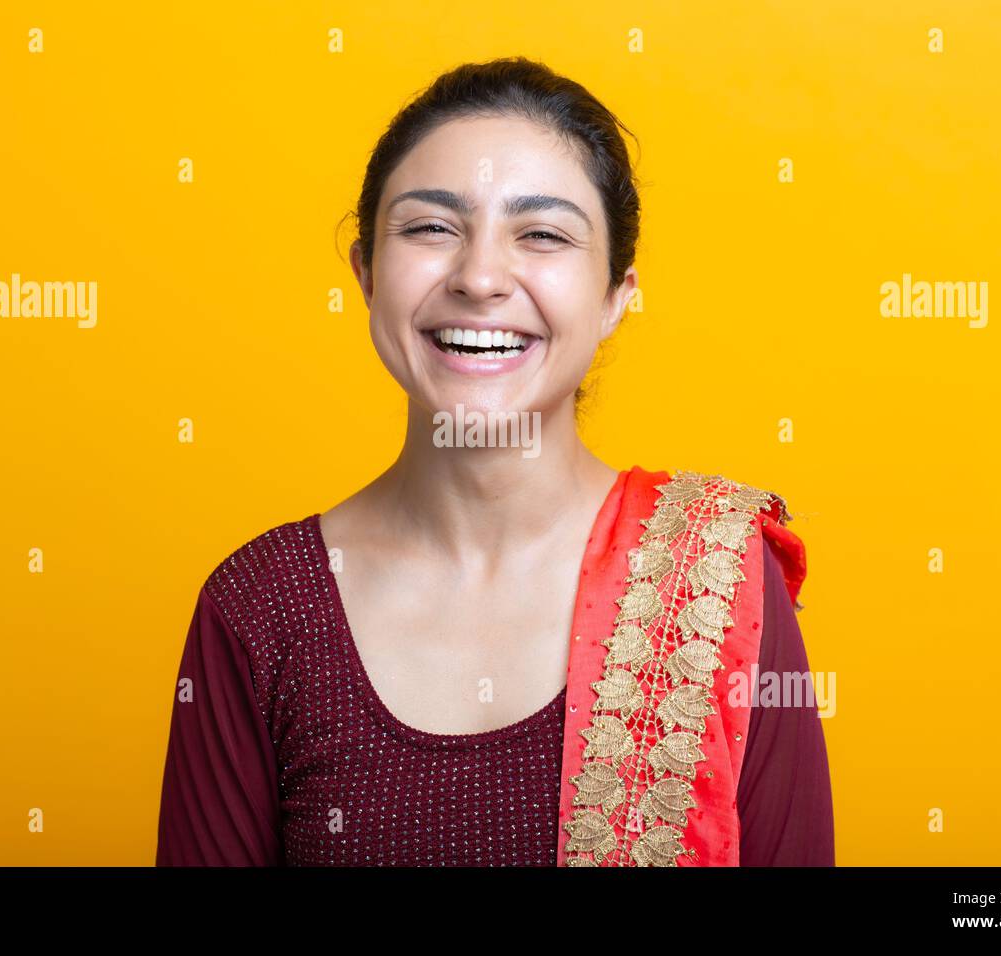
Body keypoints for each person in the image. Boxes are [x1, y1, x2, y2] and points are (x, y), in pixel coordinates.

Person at [156, 56, 833, 867]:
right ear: (366, 273)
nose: (480, 278)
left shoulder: (717, 580)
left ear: (618, 293)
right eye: (431, 228)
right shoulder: (259, 609)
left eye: (542, 234)